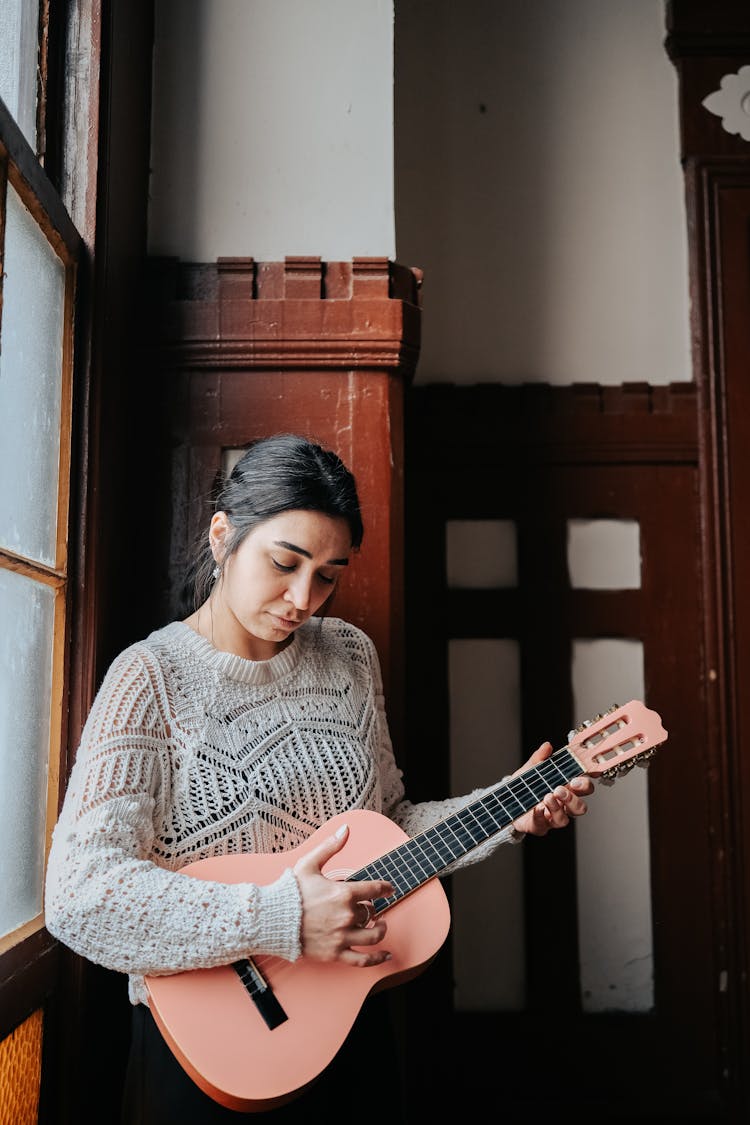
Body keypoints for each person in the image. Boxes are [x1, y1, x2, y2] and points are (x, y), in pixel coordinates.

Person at [44, 432, 593, 1124]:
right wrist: (282, 917)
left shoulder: (350, 658)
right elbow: (78, 894)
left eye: (328, 574)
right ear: (223, 537)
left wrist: (507, 809)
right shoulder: (148, 679)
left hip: (348, 1021)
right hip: (209, 1053)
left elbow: (389, 825)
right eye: (284, 562)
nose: (304, 598)